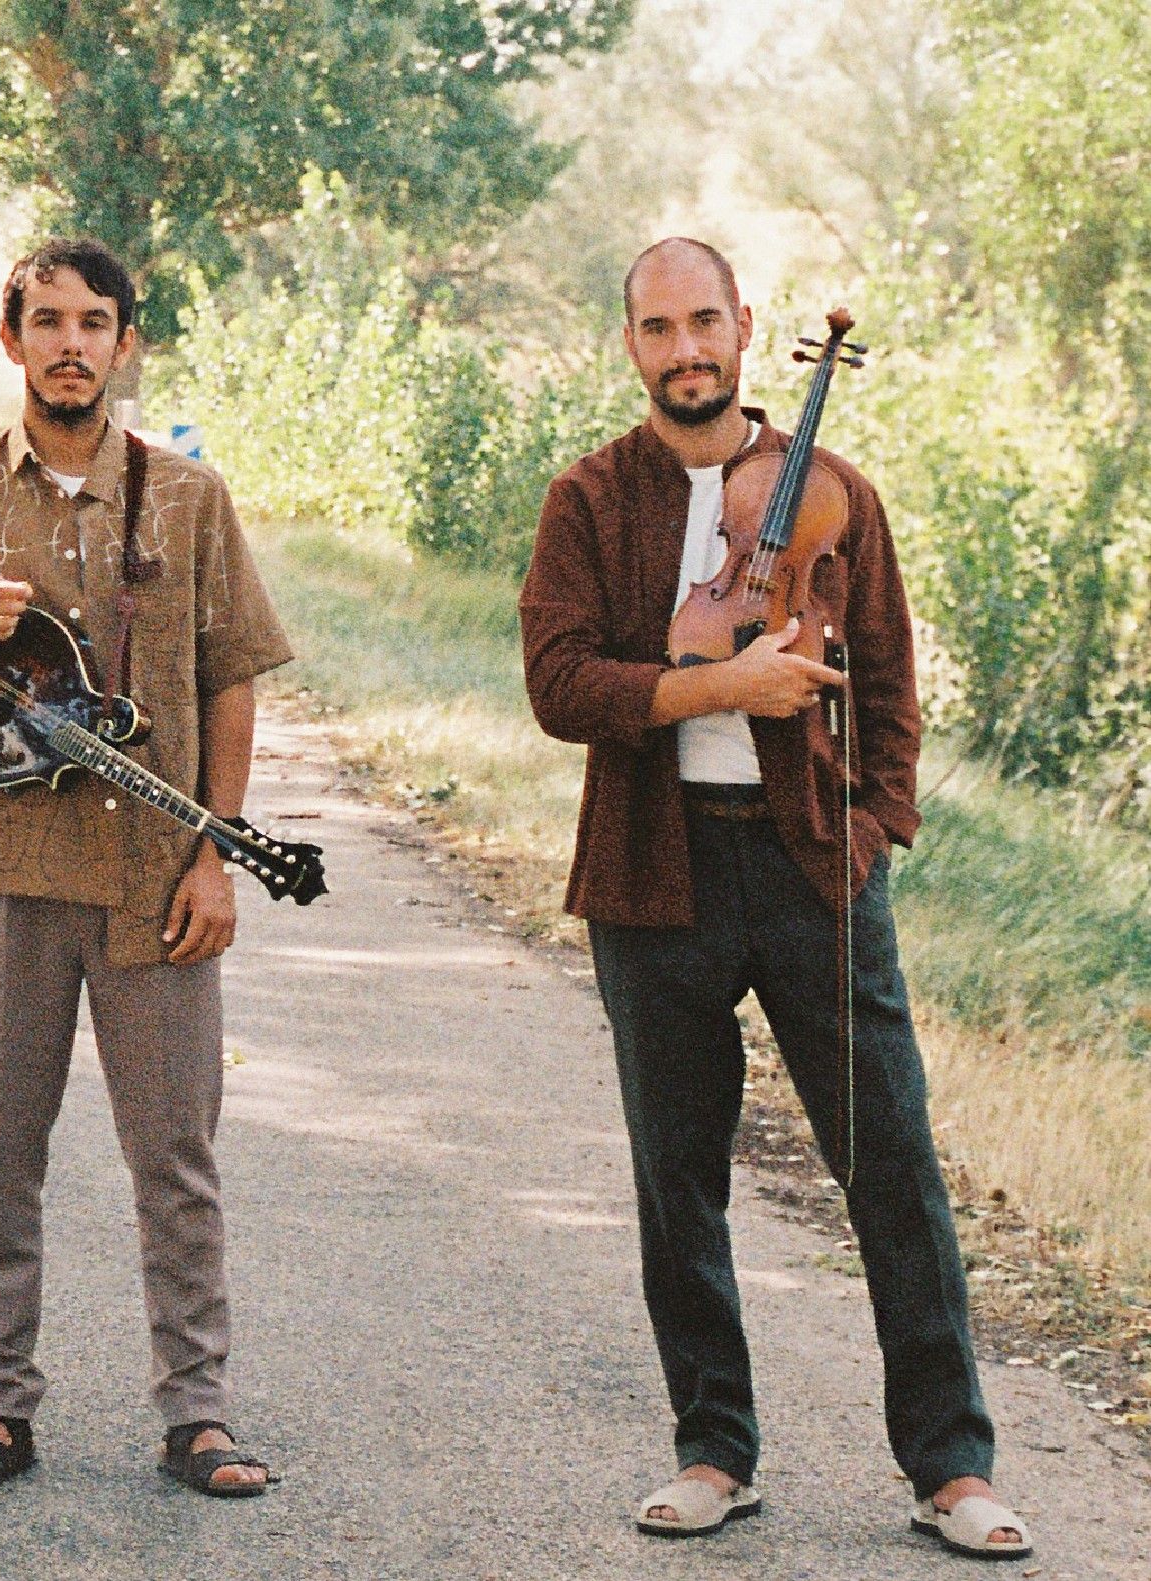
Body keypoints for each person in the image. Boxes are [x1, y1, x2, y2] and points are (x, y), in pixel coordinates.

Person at [518, 237, 1027, 1558]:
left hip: (810, 868)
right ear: (628, 343)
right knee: (676, 1179)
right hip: (653, 870)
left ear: (744, 326)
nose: (684, 349)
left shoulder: (833, 491)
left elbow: (892, 683)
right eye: (657, 328)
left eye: (703, 322)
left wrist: (872, 829)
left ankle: (949, 1467)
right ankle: (713, 1452)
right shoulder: (588, 498)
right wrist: (710, 688)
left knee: (892, 1165)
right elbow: (558, 684)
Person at [0, 239, 294, 1498]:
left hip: (153, 877)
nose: (69, 344)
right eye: (45, 321)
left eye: (92, 322)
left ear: (123, 344)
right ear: (11, 340)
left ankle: (196, 1412)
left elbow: (229, 682)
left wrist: (214, 856)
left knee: (175, 1160)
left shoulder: (188, 498)